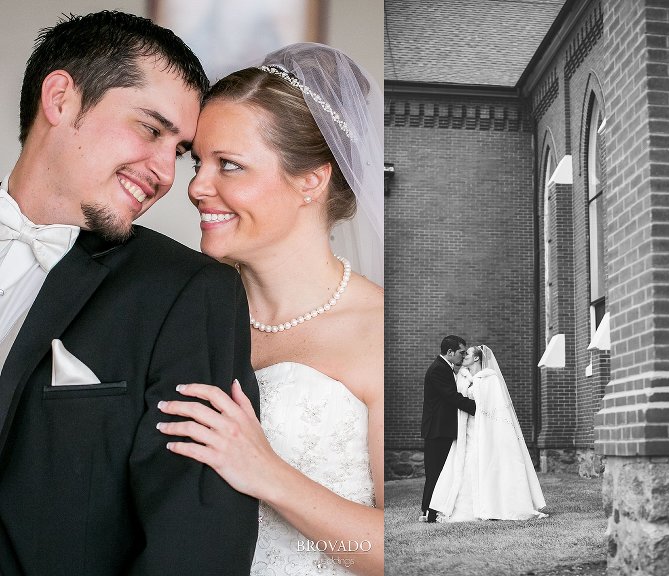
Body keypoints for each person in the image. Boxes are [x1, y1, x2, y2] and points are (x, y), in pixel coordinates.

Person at [0, 12, 259, 575]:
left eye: (180, 149)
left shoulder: (191, 295)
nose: (167, 173)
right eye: (149, 128)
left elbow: (195, 550)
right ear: (62, 98)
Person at [155, 43, 384, 575]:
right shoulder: (181, 313)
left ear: (311, 180)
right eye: (198, 162)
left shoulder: (376, 332)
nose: (196, 187)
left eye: (228, 166)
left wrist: (267, 474)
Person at [430, 345, 548, 522]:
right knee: (466, 465)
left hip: (484, 431)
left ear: (477, 358)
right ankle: (464, 508)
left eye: (467, 354)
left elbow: (493, 409)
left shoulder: (489, 379)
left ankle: (492, 504)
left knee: (486, 464)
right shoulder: (466, 377)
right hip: (468, 431)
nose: (464, 356)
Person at [419, 335, 477, 523]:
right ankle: (428, 511)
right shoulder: (438, 370)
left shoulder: (446, 368)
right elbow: (452, 397)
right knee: (435, 472)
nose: (463, 355)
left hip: (443, 429)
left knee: (442, 472)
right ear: (450, 352)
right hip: (438, 430)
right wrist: (478, 408)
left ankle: (431, 510)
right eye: (461, 352)